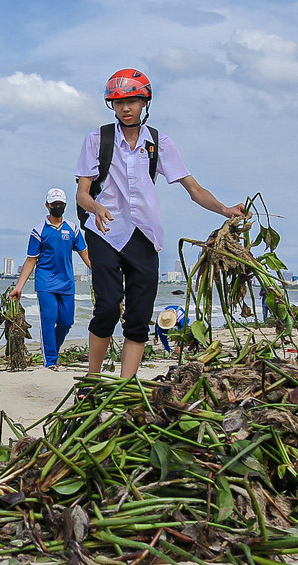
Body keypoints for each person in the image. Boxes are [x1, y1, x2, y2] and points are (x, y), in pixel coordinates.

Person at [76, 69, 244, 380]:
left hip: (144, 234)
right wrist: (96, 207)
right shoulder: (97, 139)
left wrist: (224, 209)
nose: (126, 108)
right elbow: (82, 193)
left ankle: (126, 385)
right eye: (119, 102)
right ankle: (93, 378)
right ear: (111, 105)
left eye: (133, 101)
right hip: (105, 231)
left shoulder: (159, 142)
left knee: (139, 317)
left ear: (145, 102)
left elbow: (193, 188)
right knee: (108, 306)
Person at [10, 188, 91, 369]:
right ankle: (50, 361)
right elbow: (31, 260)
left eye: (61, 204)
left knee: (66, 321)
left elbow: (84, 253)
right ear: (47, 205)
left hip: (67, 283)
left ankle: (52, 349)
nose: (57, 207)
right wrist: (19, 287)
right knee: (49, 319)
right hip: (45, 282)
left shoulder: (72, 229)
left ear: (65, 205)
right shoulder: (38, 231)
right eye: (54, 204)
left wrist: (102, 273)